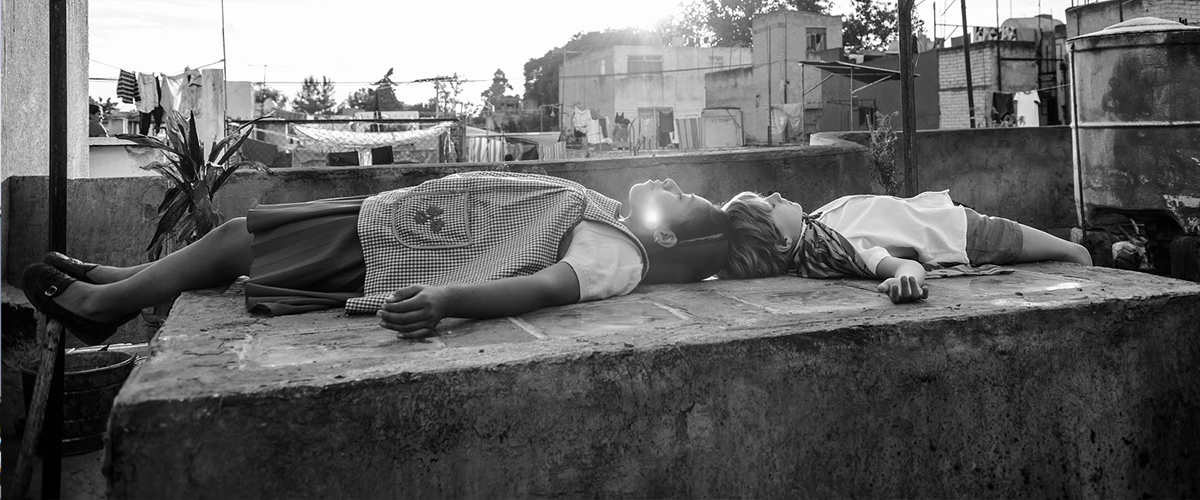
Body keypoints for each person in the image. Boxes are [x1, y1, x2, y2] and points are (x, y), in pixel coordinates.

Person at [24, 172, 730, 344]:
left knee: (240, 241)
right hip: (396, 224)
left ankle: (104, 306)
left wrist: (446, 301)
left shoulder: (618, 253)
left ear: (666, 238)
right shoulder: (609, 218)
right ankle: (123, 280)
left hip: (396, 252)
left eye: (681, 199)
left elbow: (546, 286)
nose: (670, 184)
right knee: (235, 237)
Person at [719, 190, 1092, 304]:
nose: (776, 195)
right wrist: (906, 282)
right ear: (783, 241)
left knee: (1069, 254)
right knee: (1074, 254)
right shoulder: (833, 248)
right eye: (769, 206)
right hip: (967, 236)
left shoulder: (816, 231)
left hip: (953, 221)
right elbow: (898, 265)